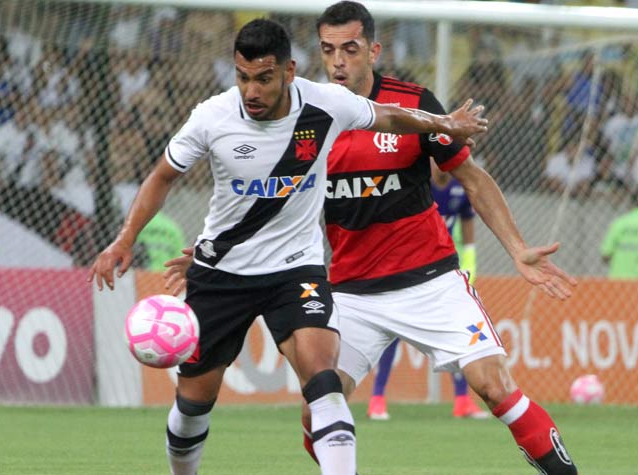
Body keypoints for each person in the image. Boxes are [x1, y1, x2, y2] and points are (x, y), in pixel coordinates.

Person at [165, 4, 578, 474]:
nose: (338, 61)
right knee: (316, 408)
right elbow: (270, 201)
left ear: (374, 51)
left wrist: (518, 248)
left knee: (494, 384)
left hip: (430, 281)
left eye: (350, 49)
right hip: (352, 291)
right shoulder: (306, 116)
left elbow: (471, 176)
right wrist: (210, 254)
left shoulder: (411, 104)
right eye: (328, 50)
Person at [89, 18, 488, 475]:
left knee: (323, 381)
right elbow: (162, 176)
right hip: (222, 274)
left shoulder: (327, 105)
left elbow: (393, 116)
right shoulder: (211, 117)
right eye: (242, 78)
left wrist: (445, 123)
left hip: (295, 271)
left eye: (263, 78)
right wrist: (124, 240)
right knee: (194, 402)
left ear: (289, 71)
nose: (251, 92)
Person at [367, 163, 487, 420]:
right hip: (410, 269)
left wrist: (470, 258)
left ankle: (462, 400)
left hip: (444, 270)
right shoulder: (416, 186)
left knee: (460, 331)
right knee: (393, 333)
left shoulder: (459, 189)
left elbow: (467, 220)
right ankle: (377, 398)